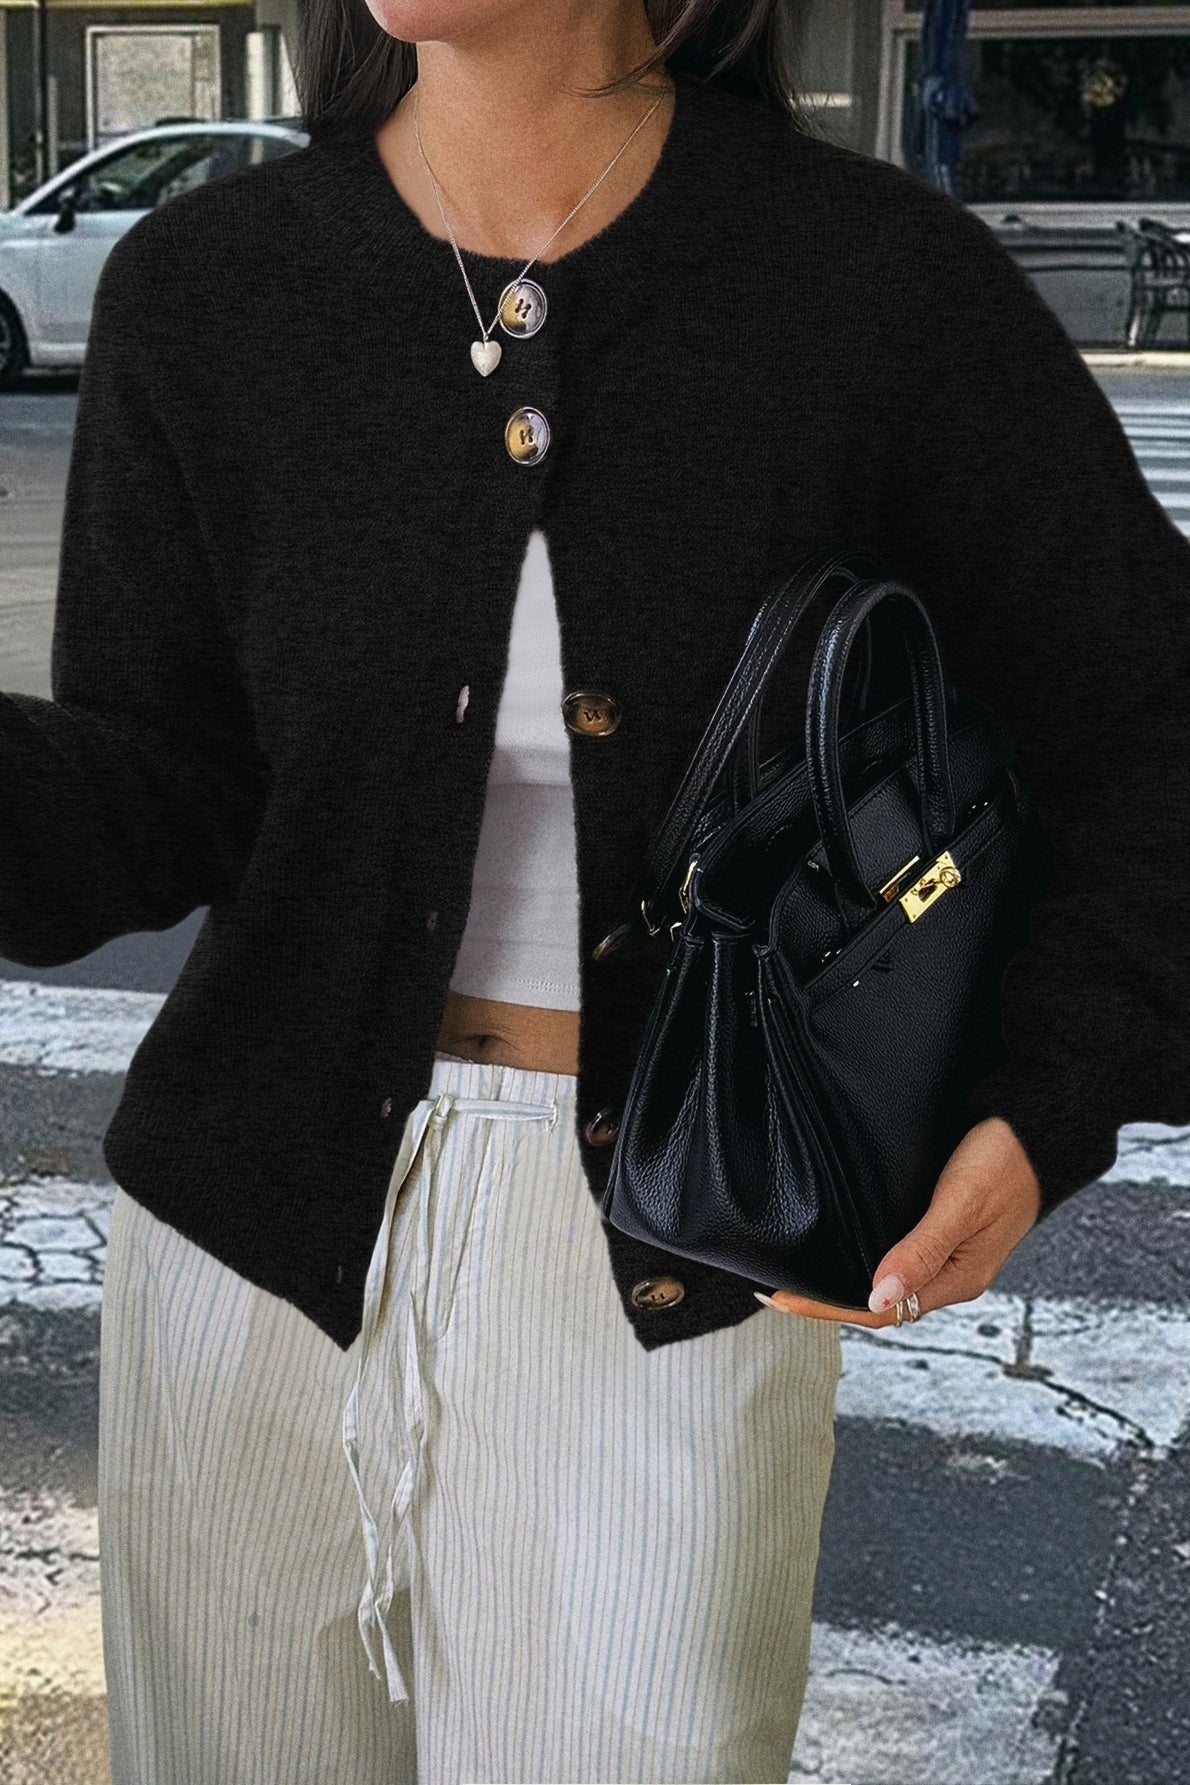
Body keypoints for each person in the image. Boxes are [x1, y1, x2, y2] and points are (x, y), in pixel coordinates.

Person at [3, 0, 1185, 1780]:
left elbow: (1148, 722)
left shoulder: (867, 284)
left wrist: (1048, 1094)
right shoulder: (211, 287)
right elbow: (164, 785)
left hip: (679, 1247)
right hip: (243, 1246)